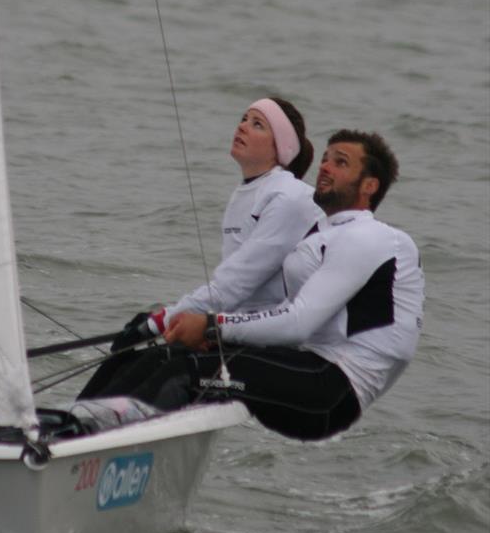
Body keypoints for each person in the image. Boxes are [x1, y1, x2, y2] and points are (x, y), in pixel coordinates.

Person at [81, 129, 424, 442]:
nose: (325, 167)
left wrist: (214, 326)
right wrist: (206, 329)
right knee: (161, 355)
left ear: (369, 185)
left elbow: (297, 322)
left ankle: (93, 450)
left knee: (180, 372)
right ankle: (70, 423)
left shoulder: (369, 237)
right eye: (324, 159)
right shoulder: (325, 231)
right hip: (306, 363)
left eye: (340, 162)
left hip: (334, 389)